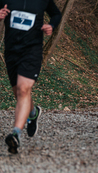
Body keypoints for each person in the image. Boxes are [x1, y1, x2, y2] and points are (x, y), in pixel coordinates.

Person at [0, 1, 61, 154]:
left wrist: (51, 26)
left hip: (32, 51)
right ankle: (32, 114)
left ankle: (16, 134)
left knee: (23, 89)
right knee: (19, 93)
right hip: (11, 51)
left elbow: (56, 14)